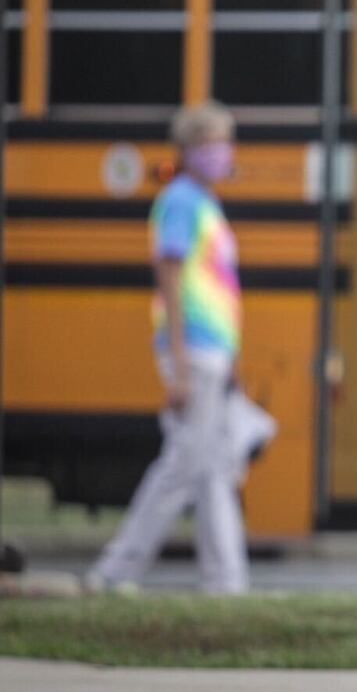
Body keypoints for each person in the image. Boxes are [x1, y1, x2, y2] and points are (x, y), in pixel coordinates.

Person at [86, 102, 251, 596]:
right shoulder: (180, 201)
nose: (220, 152)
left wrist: (233, 362)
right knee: (185, 466)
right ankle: (117, 570)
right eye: (209, 142)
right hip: (194, 353)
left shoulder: (204, 204)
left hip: (212, 353)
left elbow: (220, 289)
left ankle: (226, 583)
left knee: (212, 469)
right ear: (186, 150)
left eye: (224, 140)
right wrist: (177, 363)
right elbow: (170, 279)